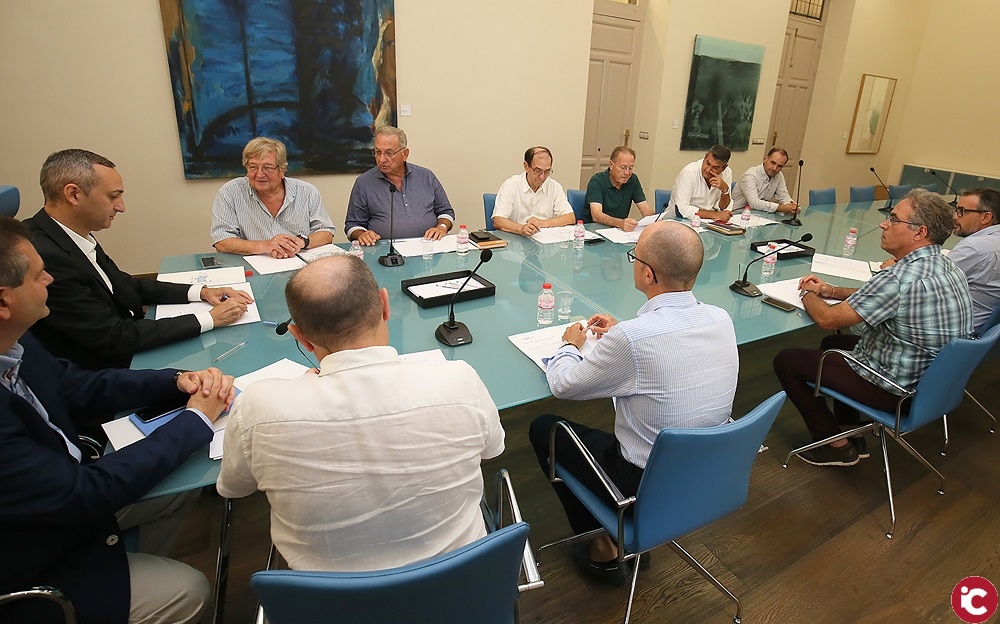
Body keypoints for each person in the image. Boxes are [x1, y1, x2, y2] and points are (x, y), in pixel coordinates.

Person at [0, 217, 236, 624]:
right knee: (190, 591)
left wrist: (175, 381)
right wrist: (196, 420)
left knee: (176, 490)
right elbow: (83, 494)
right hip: (37, 556)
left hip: (62, 498)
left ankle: (128, 561)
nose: (50, 279)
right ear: (4, 303)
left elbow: (76, 384)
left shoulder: (16, 342)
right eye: (38, 276)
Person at [217, 255, 504, 571]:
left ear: (300, 337)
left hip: (328, 596)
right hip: (464, 584)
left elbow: (235, 488)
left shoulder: (257, 406)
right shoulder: (459, 380)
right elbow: (491, 452)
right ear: (385, 305)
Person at [529, 221, 738, 585]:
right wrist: (623, 333)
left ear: (647, 273)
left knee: (544, 427)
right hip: (708, 474)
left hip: (645, 485)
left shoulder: (633, 338)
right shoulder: (721, 318)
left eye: (634, 257)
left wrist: (569, 344)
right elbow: (669, 347)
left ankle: (605, 547)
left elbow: (563, 384)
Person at [773, 189, 973, 467]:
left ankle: (834, 446)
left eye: (894, 219)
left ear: (919, 232)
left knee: (786, 361)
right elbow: (880, 295)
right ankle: (849, 429)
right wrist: (832, 290)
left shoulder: (898, 277)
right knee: (833, 344)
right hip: (931, 384)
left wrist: (808, 293)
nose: (883, 224)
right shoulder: (947, 266)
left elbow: (827, 319)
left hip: (895, 389)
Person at [26, 149, 252, 371]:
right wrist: (210, 319)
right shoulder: (43, 256)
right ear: (73, 194)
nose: (121, 207)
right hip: (103, 371)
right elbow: (114, 336)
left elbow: (124, 285)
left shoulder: (69, 233)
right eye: (113, 196)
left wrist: (202, 292)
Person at [211, 137, 336, 258]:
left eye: (268, 168)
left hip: (299, 261)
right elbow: (222, 241)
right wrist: (265, 246)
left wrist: (300, 242)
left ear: (282, 170)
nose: (259, 174)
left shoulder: (307, 192)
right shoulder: (229, 193)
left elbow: (326, 232)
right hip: (253, 264)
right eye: (253, 167)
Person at [345, 126, 456, 245]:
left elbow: (446, 212)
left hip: (428, 247)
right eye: (378, 152)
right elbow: (352, 225)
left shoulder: (426, 176)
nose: (382, 159)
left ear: (405, 154)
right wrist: (362, 234)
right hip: (384, 251)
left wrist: (441, 227)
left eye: (389, 153)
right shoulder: (363, 183)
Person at [948, 188, 1000, 333]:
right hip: (985, 328)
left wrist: (899, 263)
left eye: (962, 211)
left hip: (957, 328)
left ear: (986, 217)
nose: (955, 216)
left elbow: (925, 282)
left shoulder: (974, 247)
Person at [492, 146, 576, 236]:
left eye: (547, 171)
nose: (542, 177)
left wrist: (541, 223)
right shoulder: (511, 185)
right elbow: (498, 221)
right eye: (537, 170)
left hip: (544, 239)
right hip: (515, 238)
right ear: (526, 166)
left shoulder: (554, 187)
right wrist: (521, 229)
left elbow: (570, 218)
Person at [584, 146, 653, 232]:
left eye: (630, 168)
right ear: (611, 165)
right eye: (623, 167)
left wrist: (656, 220)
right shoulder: (597, 181)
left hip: (619, 232)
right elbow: (596, 215)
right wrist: (620, 223)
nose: (627, 173)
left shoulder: (633, 180)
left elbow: (644, 209)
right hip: (595, 231)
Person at [671, 144, 734, 221]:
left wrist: (725, 190)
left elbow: (723, 207)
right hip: (680, 220)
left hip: (709, 221)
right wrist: (716, 215)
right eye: (707, 163)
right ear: (705, 157)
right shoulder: (689, 172)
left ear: (723, 168)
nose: (708, 170)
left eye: (715, 168)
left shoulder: (727, 173)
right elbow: (681, 210)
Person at [731, 147, 798, 215]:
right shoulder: (750, 175)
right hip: (737, 214)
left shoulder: (779, 176)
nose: (774, 168)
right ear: (765, 159)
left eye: (779, 166)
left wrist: (793, 207)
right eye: (773, 163)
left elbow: (784, 196)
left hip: (759, 214)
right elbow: (754, 203)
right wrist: (780, 208)